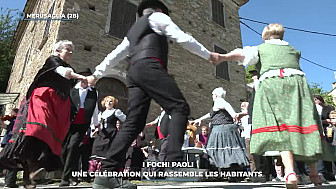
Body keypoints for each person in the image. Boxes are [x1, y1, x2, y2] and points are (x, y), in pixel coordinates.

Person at [86, 0, 222, 188]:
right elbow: (181, 37)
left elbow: (115, 54)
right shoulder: (158, 17)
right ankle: (173, 166)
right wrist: (209, 55)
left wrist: (97, 73)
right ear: (160, 9)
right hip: (150, 66)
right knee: (179, 108)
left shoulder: (133, 30)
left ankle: (106, 174)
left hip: (133, 72)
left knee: (134, 122)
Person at [216, 23, 325, 188]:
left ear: (265, 37)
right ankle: (314, 174)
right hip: (298, 87)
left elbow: (242, 53)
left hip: (273, 87)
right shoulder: (294, 51)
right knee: (304, 127)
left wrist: (222, 57)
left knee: (282, 129)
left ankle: (290, 172)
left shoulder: (261, 49)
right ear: (281, 36)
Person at [14, 40, 87, 188]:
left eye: (72, 51)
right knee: (38, 129)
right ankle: (32, 169)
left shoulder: (70, 68)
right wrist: (79, 77)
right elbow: (63, 72)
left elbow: (73, 85)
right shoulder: (53, 61)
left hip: (59, 104)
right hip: (44, 98)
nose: (71, 53)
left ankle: (33, 173)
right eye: (68, 50)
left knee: (56, 136)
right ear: (58, 51)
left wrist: (85, 82)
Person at [192, 87, 249, 172]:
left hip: (221, 130)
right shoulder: (219, 103)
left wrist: (234, 115)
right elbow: (210, 114)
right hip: (226, 129)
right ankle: (231, 171)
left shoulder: (219, 101)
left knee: (219, 150)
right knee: (228, 150)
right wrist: (199, 119)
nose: (212, 97)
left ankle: (225, 170)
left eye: (212, 95)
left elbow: (228, 108)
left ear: (216, 95)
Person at [60, 68, 99, 186]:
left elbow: (95, 109)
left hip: (82, 123)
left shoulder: (94, 92)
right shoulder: (72, 90)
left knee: (73, 147)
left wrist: (95, 125)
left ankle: (65, 178)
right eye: (83, 77)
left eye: (88, 77)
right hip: (68, 123)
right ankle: (71, 175)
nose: (85, 80)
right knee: (64, 149)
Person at [91, 96, 126, 160]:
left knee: (108, 150)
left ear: (113, 103)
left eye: (111, 101)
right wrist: (95, 130)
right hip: (102, 134)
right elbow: (97, 124)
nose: (108, 103)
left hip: (111, 134)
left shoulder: (116, 111)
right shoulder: (101, 113)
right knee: (96, 147)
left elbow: (125, 120)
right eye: (107, 101)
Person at [314, 95, 336, 181]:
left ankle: (330, 173)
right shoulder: (315, 109)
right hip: (325, 131)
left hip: (328, 130)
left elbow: (331, 116)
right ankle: (328, 173)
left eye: (316, 99)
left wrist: (327, 120)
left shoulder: (328, 108)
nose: (315, 101)